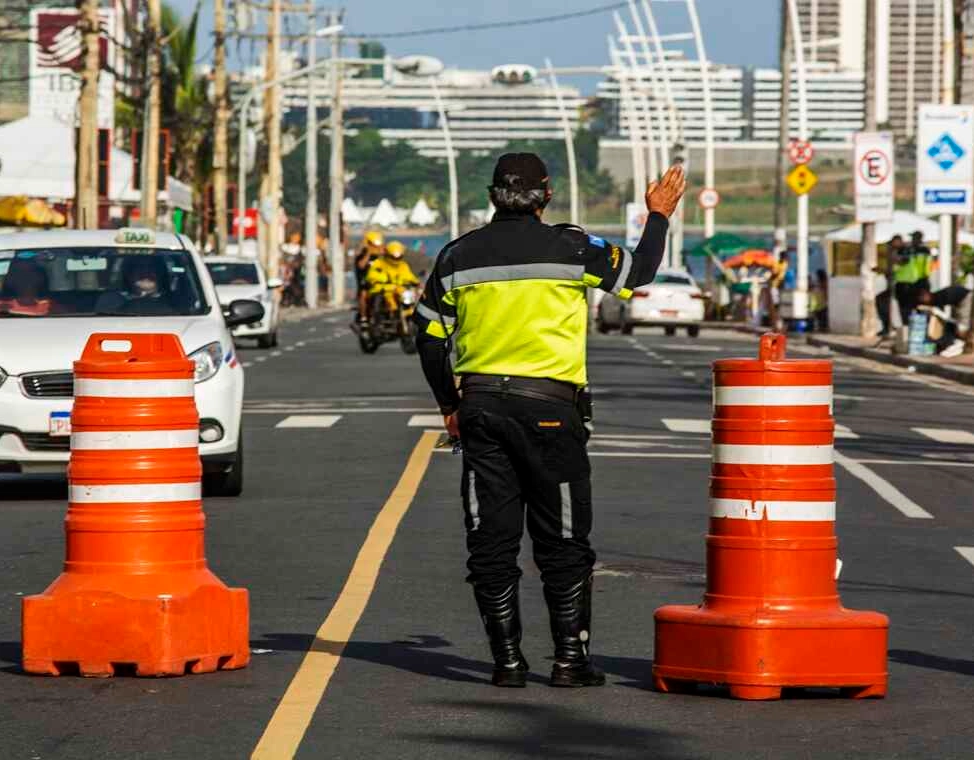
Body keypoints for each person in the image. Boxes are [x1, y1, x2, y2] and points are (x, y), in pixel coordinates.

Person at [413, 153, 686, 689]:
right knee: (561, 539)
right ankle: (569, 660)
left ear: (493, 196)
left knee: (491, 541)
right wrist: (658, 214)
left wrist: (450, 405)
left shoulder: (456, 256)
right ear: (547, 196)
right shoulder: (573, 248)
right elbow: (641, 272)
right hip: (551, 414)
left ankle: (507, 662)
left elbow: (428, 340)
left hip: (482, 409)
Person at [364, 240, 419, 319]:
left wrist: (416, 282)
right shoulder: (378, 263)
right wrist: (382, 279)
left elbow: (409, 276)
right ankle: (376, 319)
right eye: (393, 257)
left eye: (398, 257)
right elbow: (372, 275)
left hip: (399, 290)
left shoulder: (403, 265)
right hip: (382, 290)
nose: (396, 259)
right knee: (377, 301)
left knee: (410, 300)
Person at [875, 235, 905, 337]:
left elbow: (898, 268)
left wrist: (884, 270)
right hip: (894, 285)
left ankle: (892, 328)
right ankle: (888, 326)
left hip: (901, 285)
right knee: (882, 302)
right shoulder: (894, 254)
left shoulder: (903, 253)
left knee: (883, 302)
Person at [355, 231, 385, 323]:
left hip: (382, 284)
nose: (375, 247)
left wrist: (382, 253)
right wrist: (368, 253)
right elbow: (361, 266)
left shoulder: (383, 256)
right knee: (363, 295)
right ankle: (363, 317)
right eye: (373, 245)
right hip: (367, 285)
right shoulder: (362, 255)